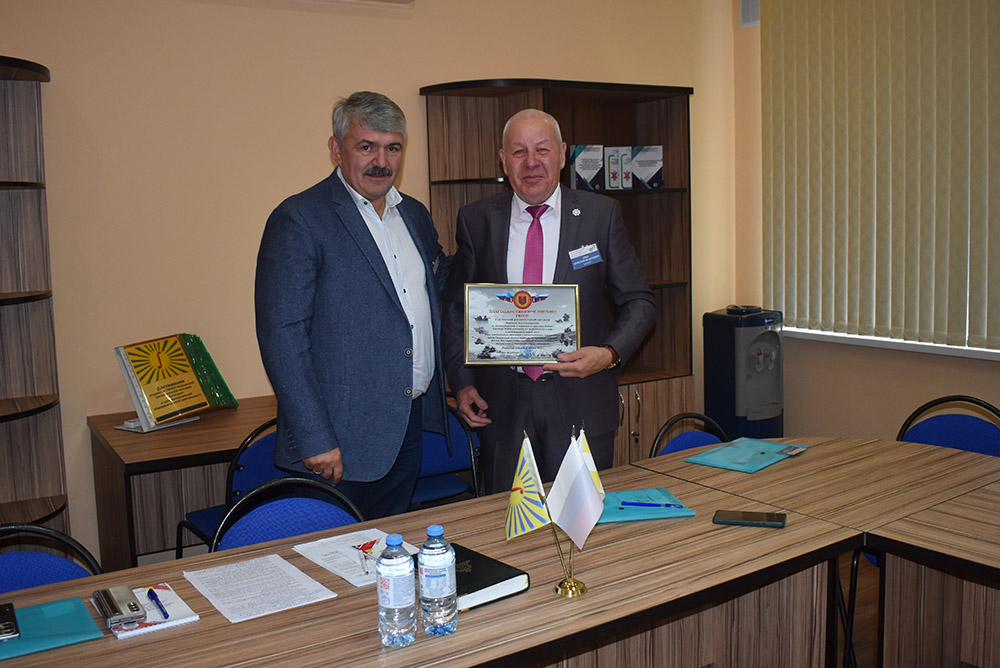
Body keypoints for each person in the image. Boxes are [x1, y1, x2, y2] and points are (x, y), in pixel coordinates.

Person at [255, 91, 449, 519]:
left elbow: (435, 290)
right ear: (335, 149)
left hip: (405, 428)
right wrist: (315, 438)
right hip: (336, 443)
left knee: (390, 550)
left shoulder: (414, 215)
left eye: (393, 148)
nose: (381, 161)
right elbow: (282, 336)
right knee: (331, 556)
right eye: (366, 147)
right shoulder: (300, 218)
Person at [442, 108, 657, 494]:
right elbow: (458, 309)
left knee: (581, 522)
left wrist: (608, 354)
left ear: (561, 154)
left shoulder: (600, 215)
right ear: (503, 159)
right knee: (507, 522)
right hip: (502, 406)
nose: (531, 162)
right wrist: (462, 383)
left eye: (542, 149)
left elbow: (640, 302)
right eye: (519, 151)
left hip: (581, 400)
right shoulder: (477, 220)